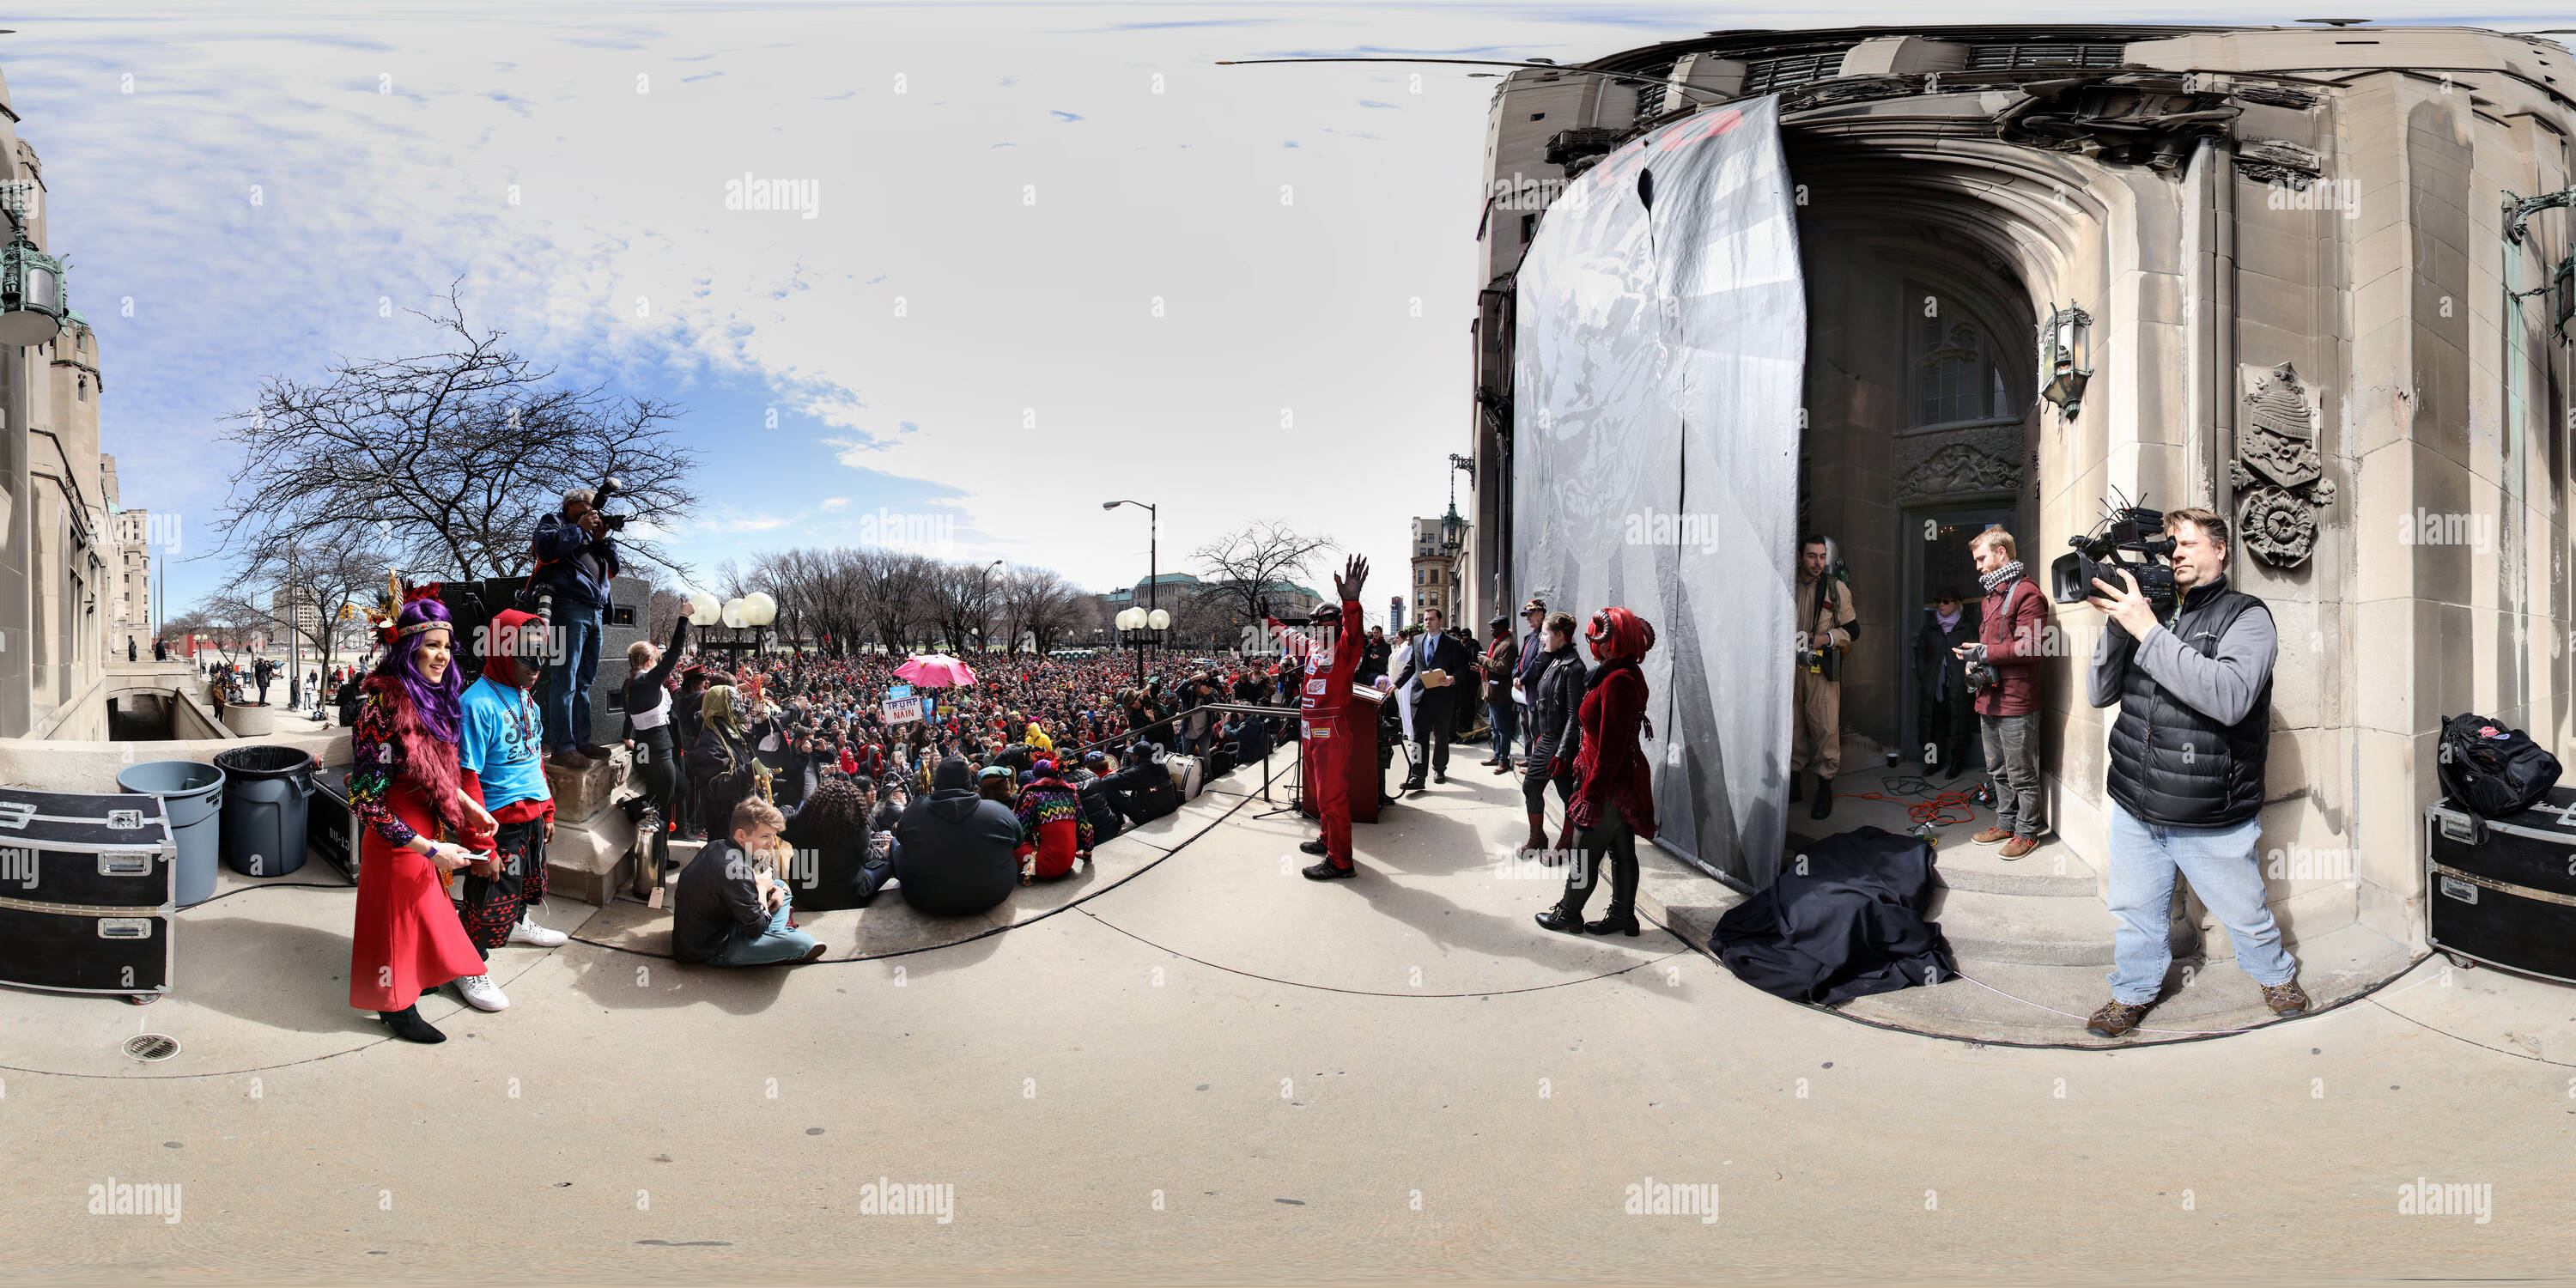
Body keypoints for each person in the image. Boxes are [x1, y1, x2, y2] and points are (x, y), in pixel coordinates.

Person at [2082, 506, 2304, 1038]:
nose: (2174, 553)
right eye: (2168, 546)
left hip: (2207, 809)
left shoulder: (2246, 616)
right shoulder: (2150, 614)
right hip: (2135, 800)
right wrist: (2120, 627)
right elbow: (2099, 693)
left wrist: (2147, 630)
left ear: (2221, 550)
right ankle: (2131, 993)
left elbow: (2229, 699)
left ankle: (2274, 975)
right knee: (2136, 912)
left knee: (2244, 910)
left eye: (2187, 543)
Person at [344, 596, 501, 1044]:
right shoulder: (380, 707)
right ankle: (394, 1006)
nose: (441, 656)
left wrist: (469, 806)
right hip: (397, 838)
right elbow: (363, 801)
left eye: (447, 647)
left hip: (424, 830)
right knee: (397, 924)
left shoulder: (430, 698)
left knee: (422, 916)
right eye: (431, 645)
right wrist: (431, 848)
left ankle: (417, 980)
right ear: (407, 647)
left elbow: (429, 770)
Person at [453, 608, 568, 1005]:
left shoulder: (527, 699)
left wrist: (547, 808)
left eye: (542, 656)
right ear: (503, 652)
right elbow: (465, 781)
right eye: (526, 657)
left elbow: (535, 759)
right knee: (485, 901)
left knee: (523, 887)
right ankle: (468, 963)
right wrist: (481, 846)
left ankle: (518, 922)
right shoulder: (475, 704)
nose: (537, 667)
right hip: (497, 825)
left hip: (531, 819)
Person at [1535, 608, 1657, 938]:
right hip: (1615, 780)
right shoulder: (1618, 672)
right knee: (1621, 850)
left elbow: (1611, 748)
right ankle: (1622, 916)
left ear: (1613, 641)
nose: (1593, 642)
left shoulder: (1618, 679)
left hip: (1609, 783)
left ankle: (1568, 915)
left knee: (1583, 852)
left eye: (1598, 637)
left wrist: (1592, 792)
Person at [1262, 555, 1370, 879]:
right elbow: (1289, 637)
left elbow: (1354, 630)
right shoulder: (1312, 647)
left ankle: (1341, 862)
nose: (1314, 629)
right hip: (1310, 730)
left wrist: (1351, 602)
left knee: (1332, 795)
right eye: (1313, 625)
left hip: (1331, 731)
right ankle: (1327, 839)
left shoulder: (1345, 649)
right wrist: (1270, 620)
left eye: (1320, 624)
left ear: (1333, 626)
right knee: (1321, 792)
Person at [1956, 530, 2050, 857]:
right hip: (1989, 699)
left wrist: (1983, 653)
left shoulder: (2028, 595)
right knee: (1997, 770)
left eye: (1982, 559)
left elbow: (2033, 647)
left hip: (2017, 702)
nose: (1978, 567)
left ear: (2002, 553)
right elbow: (1995, 648)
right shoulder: (1990, 597)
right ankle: (2006, 823)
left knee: (2022, 773)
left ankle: (2027, 832)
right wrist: (1973, 664)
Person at [672, 797, 827, 965]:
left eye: (773, 836)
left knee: (780, 887)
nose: (771, 843)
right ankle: (774, 944)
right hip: (711, 949)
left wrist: (770, 888)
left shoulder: (716, 846)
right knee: (803, 943)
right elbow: (756, 927)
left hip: (708, 930)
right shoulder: (737, 870)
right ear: (741, 835)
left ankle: (773, 940)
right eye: (765, 836)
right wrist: (761, 889)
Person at [532, 487, 622, 769]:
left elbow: (614, 568)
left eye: (593, 510)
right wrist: (580, 530)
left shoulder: (589, 535)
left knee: (584, 682)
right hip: (567, 609)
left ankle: (581, 741)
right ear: (570, 506)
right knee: (565, 681)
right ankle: (562, 747)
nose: (591, 513)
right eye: (586, 508)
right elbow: (544, 549)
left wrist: (601, 541)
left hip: (594, 611)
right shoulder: (555, 523)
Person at [894, 756, 1022, 917]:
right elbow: (1018, 842)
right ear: (969, 784)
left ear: (938, 784)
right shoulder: (999, 811)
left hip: (925, 898)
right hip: (992, 894)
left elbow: (900, 838)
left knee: (895, 847)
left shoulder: (914, 810)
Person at [1790, 534, 1857, 820]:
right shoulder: (1785, 584)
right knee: (1791, 726)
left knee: (1824, 727)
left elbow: (1854, 630)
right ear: (1799, 557)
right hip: (1788, 668)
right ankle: (1792, 784)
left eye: (1822, 556)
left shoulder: (1835, 587)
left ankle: (1824, 788)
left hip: (1820, 668)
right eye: (1811, 556)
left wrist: (1827, 638)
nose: (1818, 562)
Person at [620, 615, 691, 847]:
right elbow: (675, 652)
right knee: (661, 810)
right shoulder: (647, 682)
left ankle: (636, 810)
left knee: (666, 798)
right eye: (656, 658)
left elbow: (629, 716)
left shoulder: (630, 683)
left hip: (643, 749)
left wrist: (627, 737)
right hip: (658, 754)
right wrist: (683, 617)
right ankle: (658, 862)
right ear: (649, 660)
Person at [1519, 612, 1585, 858]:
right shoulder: (1553, 660)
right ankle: (1538, 837)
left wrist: (1562, 752)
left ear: (1560, 636)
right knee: (1531, 787)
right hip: (1546, 739)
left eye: (1546, 634)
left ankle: (1567, 842)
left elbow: (1573, 715)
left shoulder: (1574, 668)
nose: (1541, 638)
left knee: (1567, 794)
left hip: (1560, 742)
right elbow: (1534, 679)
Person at [780, 775, 895, 912]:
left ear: (816, 801)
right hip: (848, 897)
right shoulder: (858, 826)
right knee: (888, 863)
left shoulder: (798, 822)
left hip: (804, 894)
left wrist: (786, 809)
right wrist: (886, 851)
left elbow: (777, 823)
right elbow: (869, 857)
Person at [1390, 605, 1472, 792]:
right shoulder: (1417, 641)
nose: (1428, 622)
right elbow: (1411, 666)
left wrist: (1452, 678)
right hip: (1419, 696)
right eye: (1426, 619)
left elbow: (1462, 668)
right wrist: (1397, 683)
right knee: (1418, 738)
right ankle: (1417, 775)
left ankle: (1439, 769)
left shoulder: (1452, 643)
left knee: (1442, 736)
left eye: (1432, 619)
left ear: (1440, 621)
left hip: (1442, 697)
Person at [1913, 590, 1982, 783]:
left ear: (1956, 605)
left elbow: (1975, 654)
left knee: (1958, 726)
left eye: (1945, 602)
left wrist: (1966, 677)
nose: (1941, 605)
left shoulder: (1966, 628)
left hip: (1957, 687)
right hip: (1934, 688)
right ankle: (1932, 762)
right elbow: (1919, 652)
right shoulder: (1930, 628)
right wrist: (1924, 675)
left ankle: (1956, 764)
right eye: (1938, 602)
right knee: (1933, 727)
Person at [687, 684, 766, 841]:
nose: (739, 707)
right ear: (720, 708)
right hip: (727, 829)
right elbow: (717, 787)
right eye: (733, 702)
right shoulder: (709, 742)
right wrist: (752, 769)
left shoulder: (736, 732)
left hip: (747, 821)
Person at [1013, 756, 1093, 882]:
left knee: (1013, 840)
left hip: (1045, 868)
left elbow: (1018, 831)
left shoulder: (1032, 795)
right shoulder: (1071, 794)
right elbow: (1084, 825)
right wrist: (1088, 852)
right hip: (1068, 863)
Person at [1475, 616, 1520, 775]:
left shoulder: (1508, 644)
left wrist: (1485, 661)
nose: (1491, 630)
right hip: (1493, 693)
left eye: (1494, 627)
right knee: (1495, 728)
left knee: (1503, 729)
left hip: (1501, 695)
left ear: (1503, 627)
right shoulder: (1500, 642)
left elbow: (1504, 667)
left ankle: (1503, 760)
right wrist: (1482, 666)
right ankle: (1497, 756)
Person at [1510, 598, 1548, 766]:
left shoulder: (1543, 636)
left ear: (1541, 615)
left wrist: (1522, 679)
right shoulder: (1528, 636)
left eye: (1531, 614)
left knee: (1535, 727)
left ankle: (1536, 763)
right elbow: (1519, 659)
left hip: (1534, 689)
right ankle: (1528, 758)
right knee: (1525, 723)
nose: (1527, 618)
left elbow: (1538, 662)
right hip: (1523, 690)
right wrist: (1515, 676)